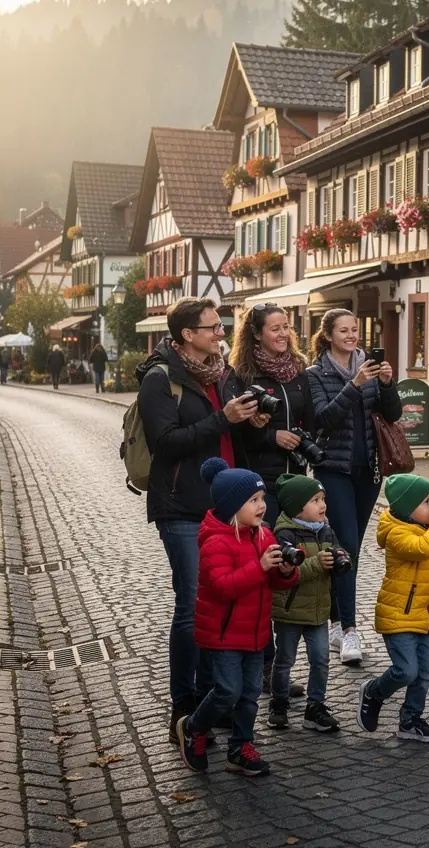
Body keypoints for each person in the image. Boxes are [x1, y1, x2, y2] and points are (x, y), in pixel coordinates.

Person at [136, 297, 261, 743]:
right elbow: (166, 442)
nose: (221, 333)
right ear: (187, 334)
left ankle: (214, 700)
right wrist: (221, 419)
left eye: (222, 326)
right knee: (191, 605)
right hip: (181, 505)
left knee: (219, 601)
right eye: (212, 328)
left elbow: (227, 431)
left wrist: (248, 420)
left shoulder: (221, 374)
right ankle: (184, 705)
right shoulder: (159, 379)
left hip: (224, 506)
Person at [176, 458, 297, 777]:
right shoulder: (215, 542)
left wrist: (285, 571)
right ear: (232, 506)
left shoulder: (263, 535)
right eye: (253, 501)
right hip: (223, 633)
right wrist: (260, 568)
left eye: (261, 499)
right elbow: (222, 587)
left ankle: (240, 747)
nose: (261, 505)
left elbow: (276, 583)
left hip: (255, 633)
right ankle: (193, 726)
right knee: (228, 690)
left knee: (249, 693)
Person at [307, 308, 402, 666]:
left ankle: (334, 620)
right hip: (333, 469)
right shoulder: (315, 374)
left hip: (369, 470)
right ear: (328, 335)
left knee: (351, 550)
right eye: (343, 331)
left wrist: (388, 384)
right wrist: (355, 385)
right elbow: (323, 418)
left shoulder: (370, 368)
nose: (351, 336)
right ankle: (349, 630)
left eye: (355, 330)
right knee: (347, 546)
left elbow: (391, 415)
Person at [230, 302, 315, 693]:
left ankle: (280, 668)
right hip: (261, 486)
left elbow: (310, 418)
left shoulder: (298, 372)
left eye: (286, 328)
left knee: (291, 571)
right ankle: (263, 667)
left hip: (295, 482)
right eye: (275, 329)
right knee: (267, 569)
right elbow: (236, 431)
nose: (282, 334)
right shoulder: (243, 374)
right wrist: (269, 435)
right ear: (257, 333)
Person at [355, 474, 429, 743]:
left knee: (424, 673)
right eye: (426, 501)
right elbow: (424, 548)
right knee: (406, 671)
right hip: (399, 616)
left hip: (426, 615)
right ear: (406, 508)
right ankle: (374, 692)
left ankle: (410, 721)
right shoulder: (397, 534)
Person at [267, 473, 341, 734]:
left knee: (321, 660)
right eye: (315, 500)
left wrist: (342, 559)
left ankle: (315, 706)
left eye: (323, 499)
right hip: (290, 611)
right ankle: (278, 703)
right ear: (297, 506)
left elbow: (338, 551)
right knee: (284, 659)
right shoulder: (284, 534)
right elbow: (288, 570)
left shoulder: (326, 529)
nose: (323, 505)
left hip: (319, 611)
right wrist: (316, 563)